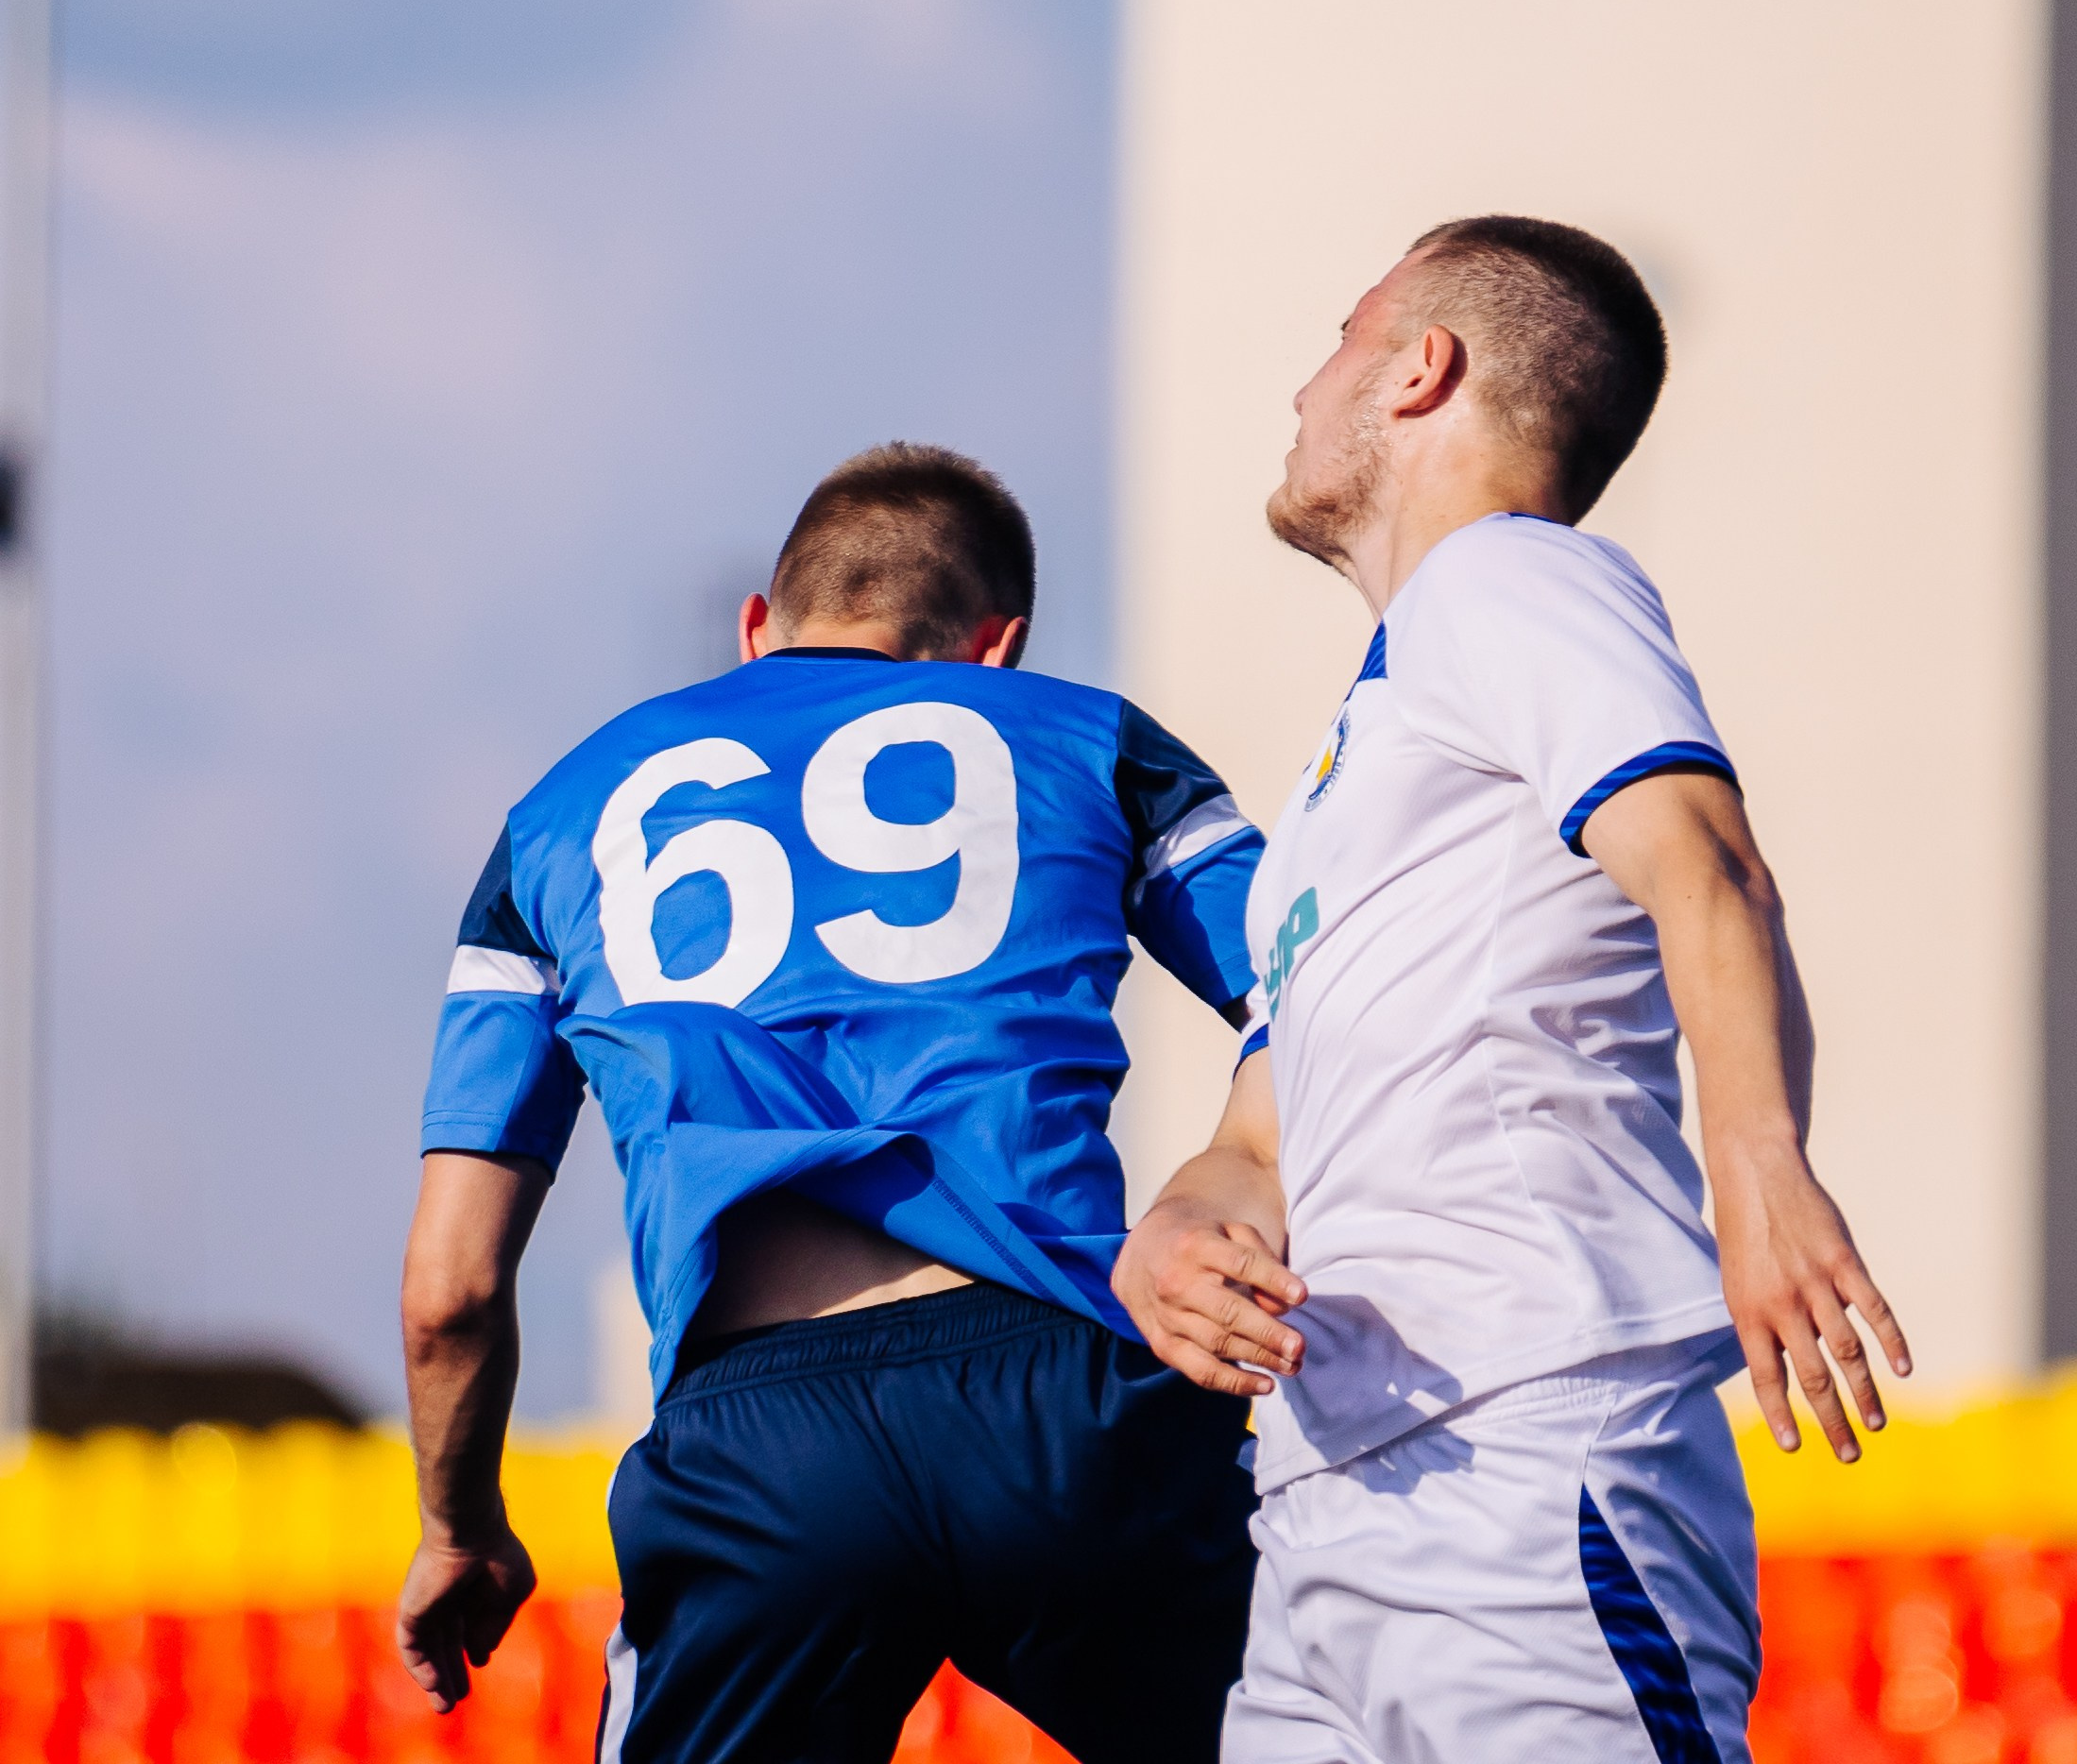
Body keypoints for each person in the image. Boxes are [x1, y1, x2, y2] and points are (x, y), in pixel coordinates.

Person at [1114, 217, 1910, 1764]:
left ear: (1422, 369)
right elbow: (1260, 1141)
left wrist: (1758, 1164)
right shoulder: (1358, 768)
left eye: (1339, 336)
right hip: (1332, 1501)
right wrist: (1183, 1224)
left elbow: (1707, 863)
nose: (1300, 388)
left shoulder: (1512, 579)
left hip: (1528, 1443)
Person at [396, 443, 1268, 1764]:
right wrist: (1227, 1172)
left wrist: (459, 1529)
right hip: (1073, 1400)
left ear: (759, 627)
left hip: (760, 1450)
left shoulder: (557, 820)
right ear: (999, 649)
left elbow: (448, 1290)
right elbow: (1330, 989)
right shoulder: (1089, 739)